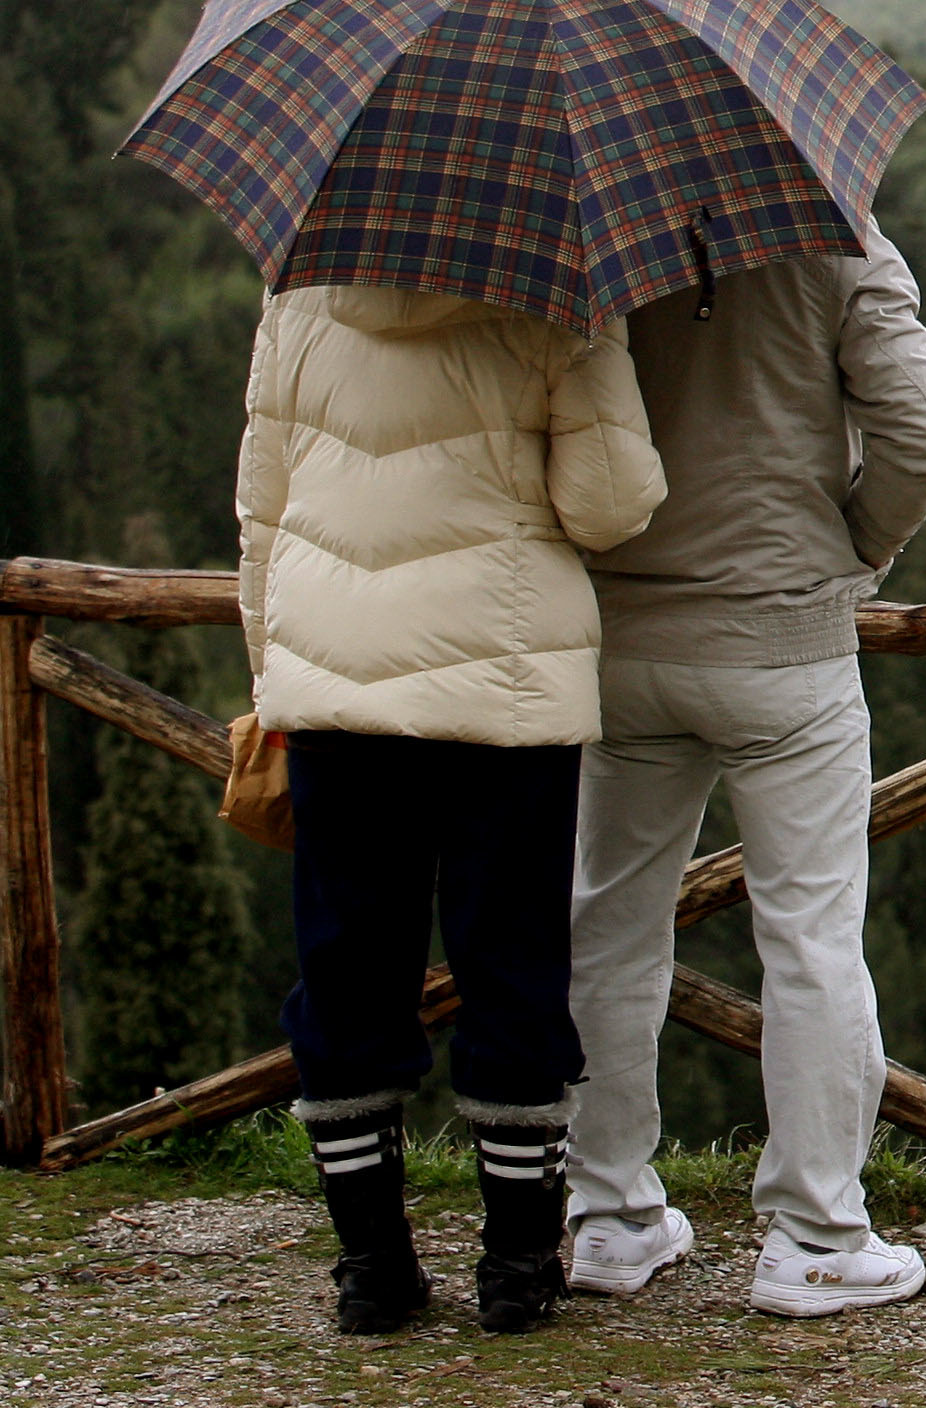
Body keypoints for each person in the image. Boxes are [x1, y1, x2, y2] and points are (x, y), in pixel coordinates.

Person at [241, 284, 667, 1337]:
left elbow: (261, 508)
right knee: (512, 966)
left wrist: (271, 680)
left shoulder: (297, 295)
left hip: (336, 684)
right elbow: (610, 505)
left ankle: (372, 1267)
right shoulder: (559, 299)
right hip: (507, 691)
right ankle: (517, 1265)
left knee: (346, 968)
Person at [561, 219, 926, 1316]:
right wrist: (857, 546)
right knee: (812, 935)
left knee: (608, 924)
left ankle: (606, 1216)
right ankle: (815, 1234)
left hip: (624, 633)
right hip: (785, 640)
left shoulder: (598, 230)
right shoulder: (838, 240)